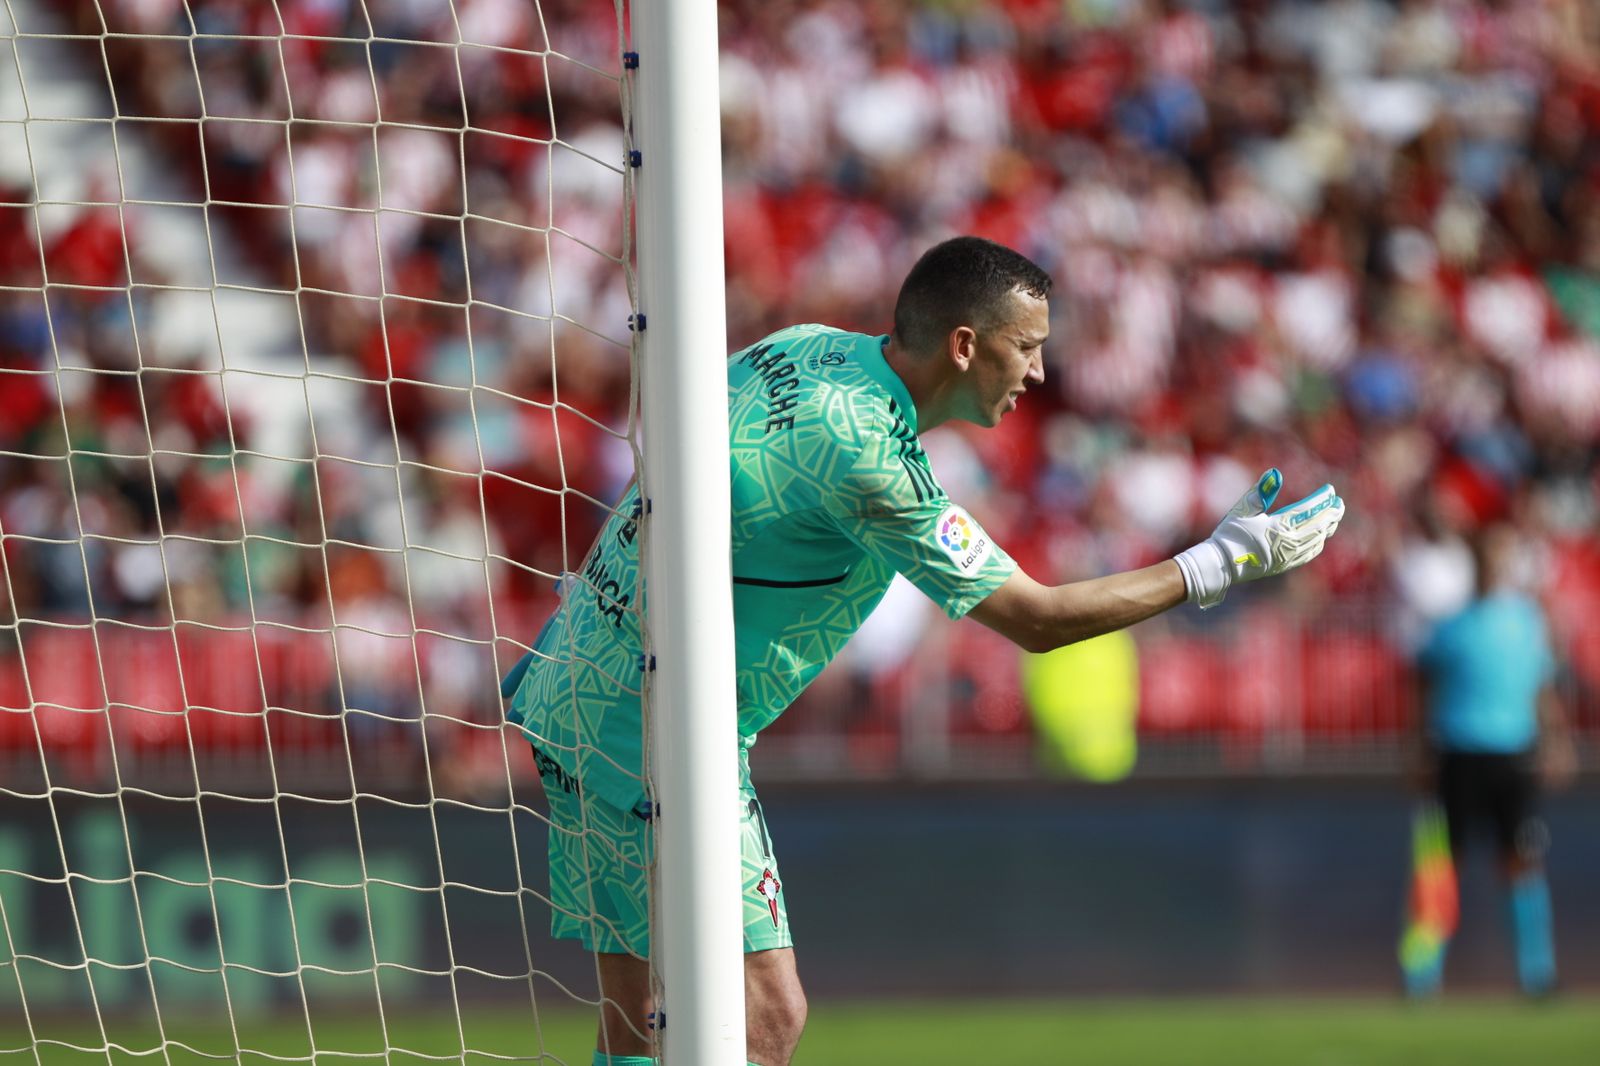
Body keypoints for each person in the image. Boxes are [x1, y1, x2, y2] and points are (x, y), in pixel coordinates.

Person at [501, 236, 1345, 1066]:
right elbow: (1039, 619)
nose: (1039, 374)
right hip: (655, 730)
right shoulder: (873, 463)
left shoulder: (805, 344)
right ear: (967, 345)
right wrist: (1225, 560)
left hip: (578, 679)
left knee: (640, 1019)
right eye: (1027, 348)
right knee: (764, 1014)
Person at [1400, 522, 1577, 999]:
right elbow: (1422, 684)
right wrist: (1418, 747)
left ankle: (1537, 974)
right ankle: (1421, 975)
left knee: (1522, 861)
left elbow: (1543, 689)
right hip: (1457, 754)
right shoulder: (1451, 625)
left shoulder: (1527, 622)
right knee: (1439, 865)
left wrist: (1558, 741)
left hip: (1512, 755)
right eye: (1483, 555)